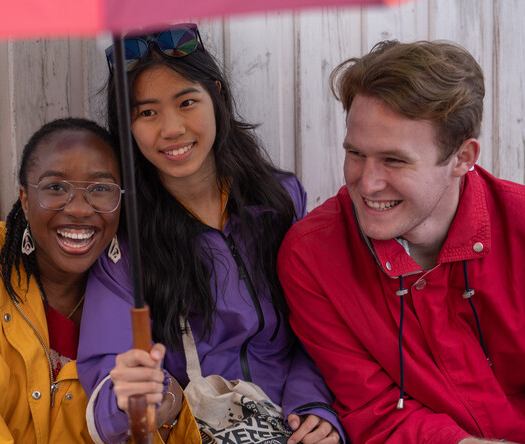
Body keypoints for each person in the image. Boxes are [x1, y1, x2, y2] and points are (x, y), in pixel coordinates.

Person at [277, 40, 525, 443]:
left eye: (394, 160)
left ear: (462, 158)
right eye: (355, 153)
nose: (366, 184)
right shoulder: (311, 255)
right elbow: (374, 411)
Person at [77, 24, 343, 444]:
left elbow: (319, 328)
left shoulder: (280, 202)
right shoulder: (124, 241)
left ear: (216, 94)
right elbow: (106, 378)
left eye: (187, 102)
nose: (172, 129)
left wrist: (315, 407)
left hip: (293, 425)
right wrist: (139, 397)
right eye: (147, 113)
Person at [0, 118, 179, 443]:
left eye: (100, 189)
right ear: (24, 199)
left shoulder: (144, 290)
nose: (79, 209)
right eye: (56, 188)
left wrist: (168, 401)